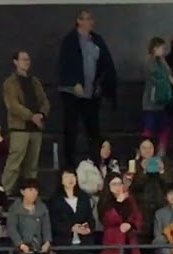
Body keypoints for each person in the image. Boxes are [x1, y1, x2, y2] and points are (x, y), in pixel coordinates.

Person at [57, 10, 116, 167]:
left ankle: (96, 163)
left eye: (91, 19)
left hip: (91, 94)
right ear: (79, 21)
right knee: (71, 130)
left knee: (94, 131)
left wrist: (101, 84)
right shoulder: (70, 40)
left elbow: (106, 64)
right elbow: (64, 64)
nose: (90, 22)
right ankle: (69, 166)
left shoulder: (97, 40)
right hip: (72, 93)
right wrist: (74, 82)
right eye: (86, 19)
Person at [1, 50, 49, 194]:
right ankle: (2, 195)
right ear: (15, 62)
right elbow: (13, 105)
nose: (26, 62)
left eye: (28, 59)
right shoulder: (10, 83)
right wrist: (31, 116)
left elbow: (44, 101)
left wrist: (41, 114)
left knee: (32, 166)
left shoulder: (35, 81)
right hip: (19, 129)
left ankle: (29, 194)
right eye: (23, 59)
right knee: (14, 164)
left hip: (35, 129)